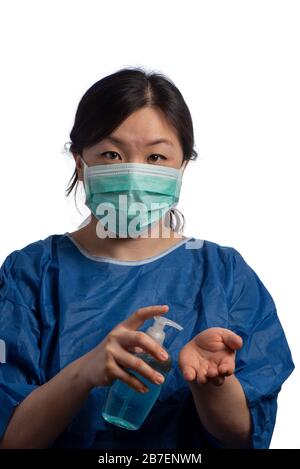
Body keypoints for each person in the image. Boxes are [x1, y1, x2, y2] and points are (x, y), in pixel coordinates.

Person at [0, 67, 294, 449]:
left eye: (155, 156)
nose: (135, 175)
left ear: (182, 165)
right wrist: (84, 372)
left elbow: (243, 435)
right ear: (79, 160)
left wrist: (209, 384)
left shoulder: (224, 275)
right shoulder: (31, 275)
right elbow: (10, 437)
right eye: (111, 153)